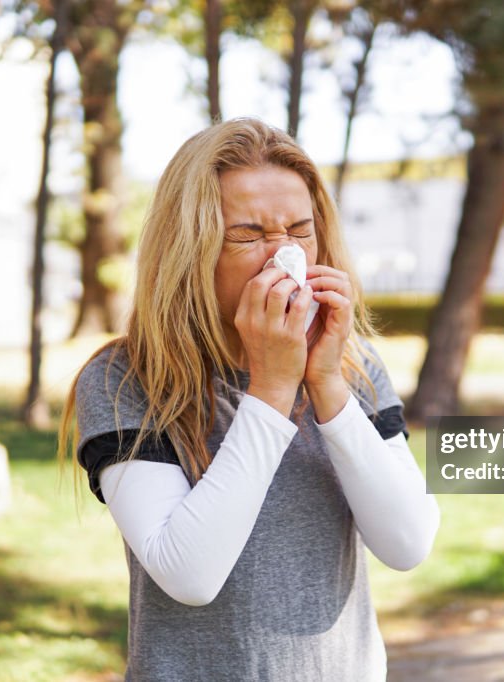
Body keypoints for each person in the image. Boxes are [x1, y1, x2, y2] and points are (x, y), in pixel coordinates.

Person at [58, 118, 440, 681]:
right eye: (248, 234)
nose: (282, 255)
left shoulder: (353, 367)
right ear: (191, 249)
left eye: (299, 230)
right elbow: (189, 574)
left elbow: (407, 543)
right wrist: (273, 387)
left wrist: (328, 384)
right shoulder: (125, 379)